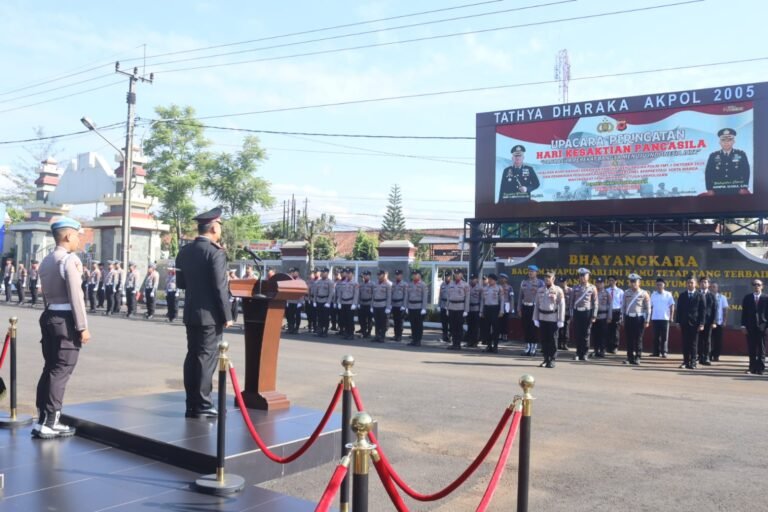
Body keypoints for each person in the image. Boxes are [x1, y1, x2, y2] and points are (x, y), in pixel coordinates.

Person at [33, 217, 91, 439]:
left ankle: (42, 420)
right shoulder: (68, 260)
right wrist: (82, 326)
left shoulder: (48, 259)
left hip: (49, 315)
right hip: (66, 318)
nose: (79, 239)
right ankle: (51, 422)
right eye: (78, 235)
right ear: (68, 236)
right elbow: (76, 296)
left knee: (51, 368)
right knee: (61, 370)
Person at [175, 207, 233, 418]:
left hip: (191, 311)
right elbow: (220, 287)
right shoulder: (215, 252)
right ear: (214, 227)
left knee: (193, 357)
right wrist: (227, 315)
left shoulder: (184, 251)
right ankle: (203, 404)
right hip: (210, 315)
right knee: (206, 359)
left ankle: (192, 403)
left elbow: (181, 283)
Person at [704, 128, 751, 195]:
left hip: (736, 190)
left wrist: (744, 187)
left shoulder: (741, 154)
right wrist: (709, 189)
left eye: (729, 140)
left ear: (733, 141)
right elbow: (708, 173)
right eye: (723, 140)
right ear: (720, 142)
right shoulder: (713, 156)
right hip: (717, 190)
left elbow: (746, 171)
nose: (726, 143)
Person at [533, 270, 565, 369]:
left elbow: (562, 305)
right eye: (545, 278)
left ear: (553, 279)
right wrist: (535, 318)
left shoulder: (558, 290)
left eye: (549, 278)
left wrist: (561, 319)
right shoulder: (540, 290)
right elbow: (536, 305)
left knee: (553, 340)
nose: (547, 280)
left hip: (553, 318)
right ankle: (546, 358)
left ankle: (552, 359)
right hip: (542, 318)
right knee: (544, 340)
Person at [675, 276, 704, 370]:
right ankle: (685, 361)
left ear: (695, 284)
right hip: (684, 323)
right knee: (685, 343)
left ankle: (693, 362)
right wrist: (678, 322)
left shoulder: (700, 295)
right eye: (688, 283)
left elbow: (702, 311)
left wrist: (701, 323)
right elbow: (678, 310)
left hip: (695, 323)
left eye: (692, 283)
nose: (690, 284)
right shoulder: (682, 295)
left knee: (693, 343)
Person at [622, 273, 651, 366]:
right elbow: (623, 307)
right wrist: (622, 319)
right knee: (629, 339)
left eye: (635, 281)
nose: (633, 283)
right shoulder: (626, 293)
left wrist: (647, 320)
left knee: (638, 339)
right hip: (629, 318)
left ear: (639, 282)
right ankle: (629, 357)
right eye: (631, 281)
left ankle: (638, 357)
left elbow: (648, 308)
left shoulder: (644, 293)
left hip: (639, 318)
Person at [570, 268, 598, 361]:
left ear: (588, 276)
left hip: (587, 312)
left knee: (586, 334)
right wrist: (571, 314)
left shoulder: (592, 288)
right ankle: (578, 353)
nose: (581, 277)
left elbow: (595, 303)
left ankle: (585, 353)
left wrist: (594, 315)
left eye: (583, 275)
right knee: (578, 334)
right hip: (577, 312)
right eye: (580, 276)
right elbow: (571, 303)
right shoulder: (575, 287)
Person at [740, 280, 766, 375]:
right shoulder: (747, 298)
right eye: (754, 285)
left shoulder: (766, 298)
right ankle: (752, 367)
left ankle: (760, 368)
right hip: (750, 327)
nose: (756, 286)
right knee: (752, 348)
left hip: (762, 327)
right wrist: (743, 326)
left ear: (762, 286)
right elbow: (744, 313)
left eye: (758, 284)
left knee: (761, 348)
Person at [519, 265, 544, 356]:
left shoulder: (540, 283)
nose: (530, 273)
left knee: (534, 328)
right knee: (526, 327)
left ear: (536, 272)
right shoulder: (524, 282)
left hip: (535, 308)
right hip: (525, 307)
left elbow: (542, 297)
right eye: (529, 271)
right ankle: (528, 346)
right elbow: (520, 297)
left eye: (532, 271)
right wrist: (519, 308)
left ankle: (534, 346)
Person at [650, 278, 675, 358]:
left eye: (660, 284)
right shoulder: (653, 295)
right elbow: (650, 307)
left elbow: (672, 306)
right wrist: (649, 317)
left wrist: (671, 317)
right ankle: (655, 352)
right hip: (655, 318)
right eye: (657, 285)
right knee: (655, 336)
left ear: (664, 285)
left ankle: (664, 352)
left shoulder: (668, 294)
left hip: (665, 318)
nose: (659, 286)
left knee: (664, 337)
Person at [446, 268, 470, 350]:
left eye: (458, 274)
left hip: (460, 307)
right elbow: (448, 297)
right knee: (452, 326)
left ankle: (458, 343)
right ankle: (454, 343)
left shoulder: (465, 285)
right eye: (455, 274)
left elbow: (467, 298)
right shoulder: (451, 284)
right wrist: (447, 308)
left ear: (461, 275)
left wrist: (466, 310)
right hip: (452, 307)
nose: (456, 275)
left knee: (459, 327)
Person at [480, 273, 504, 353]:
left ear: (495, 280)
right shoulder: (485, 288)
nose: (489, 281)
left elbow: (502, 300)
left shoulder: (499, 288)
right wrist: (481, 311)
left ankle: (495, 346)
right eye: (489, 279)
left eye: (491, 279)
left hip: (495, 309)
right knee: (486, 328)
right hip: (487, 309)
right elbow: (482, 301)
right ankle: (489, 345)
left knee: (495, 329)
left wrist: (501, 311)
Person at [697, 276, 718, 366]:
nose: (703, 284)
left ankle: (706, 357)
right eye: (702, 282)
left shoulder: (712, 295)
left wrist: (714, 322)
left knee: (707, 340)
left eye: (705, 282)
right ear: (699, 284)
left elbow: (714, 309)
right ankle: (699, 356)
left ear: (708, 284)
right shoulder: (696, 294)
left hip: (708, 321)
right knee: (698, 340)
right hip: (697, 322)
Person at [406, 269, 428, 347]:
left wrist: (424, 308)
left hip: (419, 307)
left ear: (419, 275)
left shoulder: (423, 285)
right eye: (413, 274)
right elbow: (407, 296)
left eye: (416, 274)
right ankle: (414, 339)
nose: (414, 276)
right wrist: (406, 307)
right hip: (411, 307)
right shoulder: (410, 284)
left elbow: (425, 297)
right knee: (413, 324)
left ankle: (418, 340)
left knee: (419, 325)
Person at [337, 268, 359, 340]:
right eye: (347, 273)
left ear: (352, 274)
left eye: (349, 273)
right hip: (343, 303)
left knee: (350, 319)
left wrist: (354, 304)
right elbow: (340, 293)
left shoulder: (355, 283)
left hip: (350, 303)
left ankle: (351, 333)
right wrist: (339, 302)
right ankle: (346, 333)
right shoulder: (343, 282)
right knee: (344, 319)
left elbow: (356, 294)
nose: (347, 274)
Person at [591, 277, 611, 358]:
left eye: (601, 283)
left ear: (604, 284)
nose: (599, 284)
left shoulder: (607, 293)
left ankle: (602, 350)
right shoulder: (593, 292)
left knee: (603, 335)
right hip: (594, 317)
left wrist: (609, 317)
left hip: (603, 316)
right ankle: (596, 350)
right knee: (595, 334)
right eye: (597, 283)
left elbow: (610, 306)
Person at [709, 282, 729, 362]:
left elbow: (725, 310)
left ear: (717, 288)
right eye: (712, 287)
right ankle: (708, 355)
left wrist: (724, 321)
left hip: (719, 322)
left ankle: (716, 355)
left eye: (715, 287)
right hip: (708, 322)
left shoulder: (722, 297)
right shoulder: (707, 296)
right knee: (708, 340)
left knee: (718, 340)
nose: (713, 288)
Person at [371, 270, 392, 343]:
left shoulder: (388, 284)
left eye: (380, 275)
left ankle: (382, 336)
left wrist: (388, 307)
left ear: (383, 275)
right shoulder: (375, 284)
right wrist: (371, 306)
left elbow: (389, 297)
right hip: (376, 305)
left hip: (383, 305)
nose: (379, 276)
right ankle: (377, 336)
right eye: (378, 275)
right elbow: (373, 296)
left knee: (383, 322)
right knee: (377, 322)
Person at [313, 267, 334, 338]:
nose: (322, 273)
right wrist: (314, 301)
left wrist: (328, 302)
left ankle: (325, 331)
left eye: (324, 272)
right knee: (319, 317)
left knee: (325, 317)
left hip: (325, 301)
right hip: (319, 300)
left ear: (327, 273)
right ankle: (320, 330)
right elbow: (315, 292)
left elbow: (331, 293)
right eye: (321, 272)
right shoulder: (318, 282)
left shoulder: (330, 282)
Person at [605, 275, 624, 353]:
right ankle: (608, 347)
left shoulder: (620, 291)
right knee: (608, 330)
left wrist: (621, 314)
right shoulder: (606, 290)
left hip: (616, 311)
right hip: (608, 311)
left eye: (612, 280)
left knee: (615, 330)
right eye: (609, 280)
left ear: (616, 281)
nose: (611, 282)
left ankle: (615, 347)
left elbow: (622, 303)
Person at [390, 270, 408, 342]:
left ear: (401, 275)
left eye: (398, 275)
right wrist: (390, 304)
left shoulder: (404, 284)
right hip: (394, 305)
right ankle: (396, 335)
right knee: (395, 321)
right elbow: (391, 294)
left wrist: (404, 305)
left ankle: (399, 336)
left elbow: (406, 295)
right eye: (396, 275)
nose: (397, 276)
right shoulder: (393, 284)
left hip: (401, 305)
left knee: (400, 321)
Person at [466, 274, 482, 347]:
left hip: (476, 308)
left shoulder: (480, 288)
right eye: (471, 279)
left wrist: (481, 310)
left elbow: (482, 300)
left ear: (477, 279)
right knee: (470, 326)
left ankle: (475, 341)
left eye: (474, 279)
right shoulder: (467, 286)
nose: (472, 280)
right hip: (469, 308)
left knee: (476, 326)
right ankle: (469, 341)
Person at [557, 276, 572, 351]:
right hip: (558, 312)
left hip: (567, 312)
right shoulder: (557, 290)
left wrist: (571, 313)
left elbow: (572, 302)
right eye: (560, 282)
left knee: (566, 329)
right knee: (558, 328)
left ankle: (565, 344)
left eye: (563, 282)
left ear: (566, 282)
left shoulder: (570, 290)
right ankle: (558, 343)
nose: (562, 283)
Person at [358, 270, 374, 338]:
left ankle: (369, 332)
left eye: (367, 275)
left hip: (369, 303)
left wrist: (372, 305)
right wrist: (358, 303)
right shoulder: (361, 284)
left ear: (370, 276)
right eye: (364, 275)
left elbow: (374, 295)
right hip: (362, 303)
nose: (365, 276)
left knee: (369, 319)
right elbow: (359, 294)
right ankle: (364, 332)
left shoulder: (372, 284)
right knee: (362, 319)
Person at [439, 270, 451, 342]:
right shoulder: (442, 284)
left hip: (449, 306)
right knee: (444, 322)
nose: (447, 278)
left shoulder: (452, 284)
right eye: (446, 276)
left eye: (448, 276)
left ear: (450, 277)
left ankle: (450, 336)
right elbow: (440, 296)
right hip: (443, 305)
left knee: (451, 322)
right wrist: (438, 305)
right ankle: (444, 335)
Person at [305, 268, 319, 333]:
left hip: (315, 299)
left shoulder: (318, 281)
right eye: (310, 274)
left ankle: (315, 327)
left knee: (314, 315)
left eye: (313, 274)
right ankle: (310, 326)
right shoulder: (308, 282)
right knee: (309, 314)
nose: (311, 275)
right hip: (308, 299)